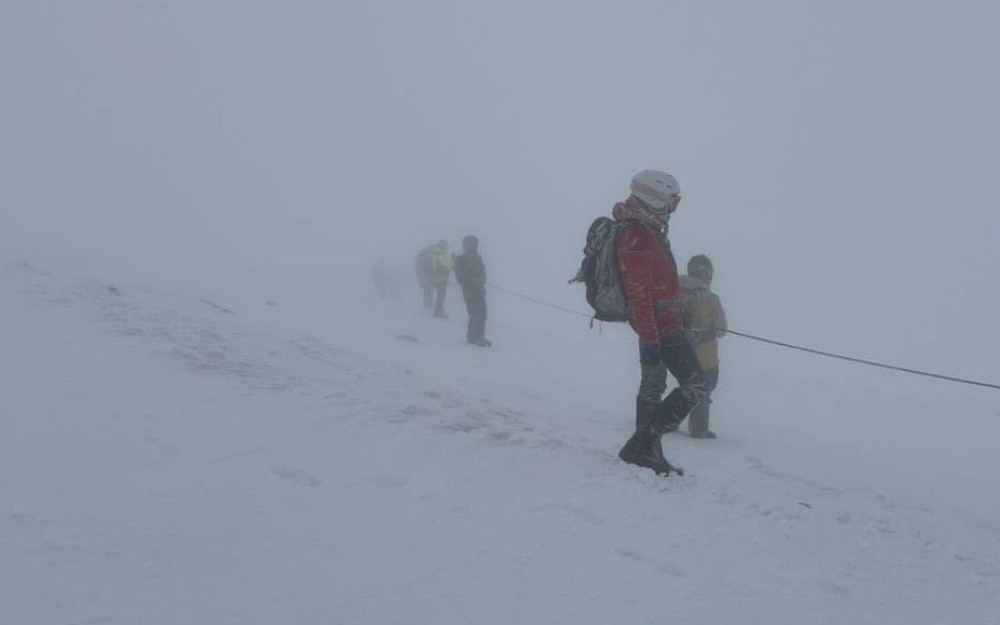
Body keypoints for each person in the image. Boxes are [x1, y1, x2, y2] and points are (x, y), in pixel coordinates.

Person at [614, 170, 709, 476]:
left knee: (654, 385)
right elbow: (639, 293)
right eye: (672, 200)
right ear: (653, 196)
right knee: (696, 384)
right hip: (658, 325)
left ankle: (647, 450)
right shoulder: (638, 234)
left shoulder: (648, 228)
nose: (672, 207)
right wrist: (653, 341)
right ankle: (644, 444)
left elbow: (654, 286)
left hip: (661, 322)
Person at [680, 254, 727, 439]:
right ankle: (698, 428)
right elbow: (721, 329)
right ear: (707, 274)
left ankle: (668, 419)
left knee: (686, 389)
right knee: (705, 389)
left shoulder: (676, 291)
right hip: (706, 358)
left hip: (680, 353)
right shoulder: (712, 299)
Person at [453, 235, 490, 346]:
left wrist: (482, 279)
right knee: (475, 314)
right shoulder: (461, 259)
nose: (475, 246)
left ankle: (479, 337)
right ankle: (474, 338)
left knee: (482, 314)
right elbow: (460, 277)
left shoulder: (478, 257)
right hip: (470, 292)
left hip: (480, 290)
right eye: (473, 243)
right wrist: (473, 281)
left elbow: (483, 272)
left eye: (476, 244)